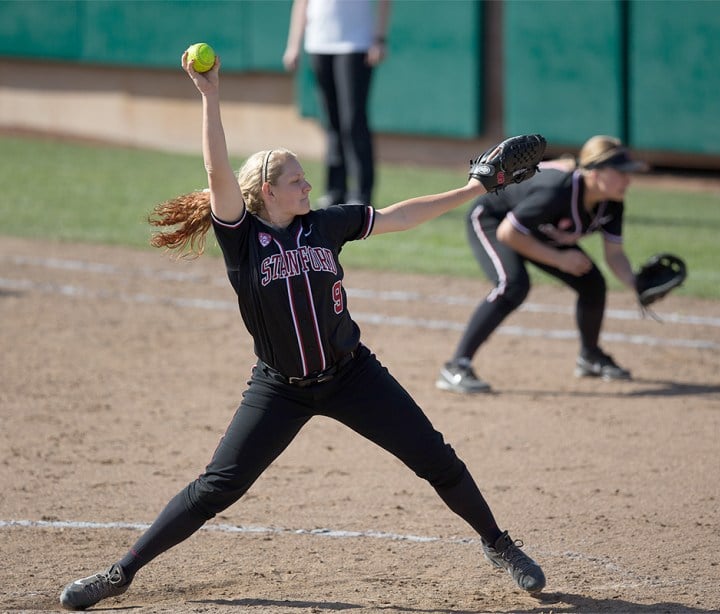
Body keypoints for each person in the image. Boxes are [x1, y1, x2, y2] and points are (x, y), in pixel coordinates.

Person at [58, 51, 545, 611]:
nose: (307, 184)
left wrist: (475, 188)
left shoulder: (325, 225)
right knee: (218, 487)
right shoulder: (242, 239)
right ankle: (120, 574)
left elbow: (400, 216)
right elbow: (218, 172)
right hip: (281, 387)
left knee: (434, 457)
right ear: (267, 192)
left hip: (351, 374)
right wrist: (209, 96)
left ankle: (500, 545)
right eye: (295, 180)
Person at [436, 135, 649, 394]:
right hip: (494, 220)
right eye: (620, 172)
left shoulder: (612, 203)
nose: (628, 179)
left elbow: (614, 255)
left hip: (536, 227)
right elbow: (508, 233)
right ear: (594, 172)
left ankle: (590, 357)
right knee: (513, 285)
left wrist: (636, 283)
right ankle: (456, 366)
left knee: (592, 282)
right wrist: (559, 259)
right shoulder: (557, 190)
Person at [283, 0, 390, 208]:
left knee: (353, 120)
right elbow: (301, 3)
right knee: (331, 122)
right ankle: (335, 190)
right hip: (318, 43)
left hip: (356, 44)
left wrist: (379, 38)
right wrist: (293, 45)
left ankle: (361, 193)